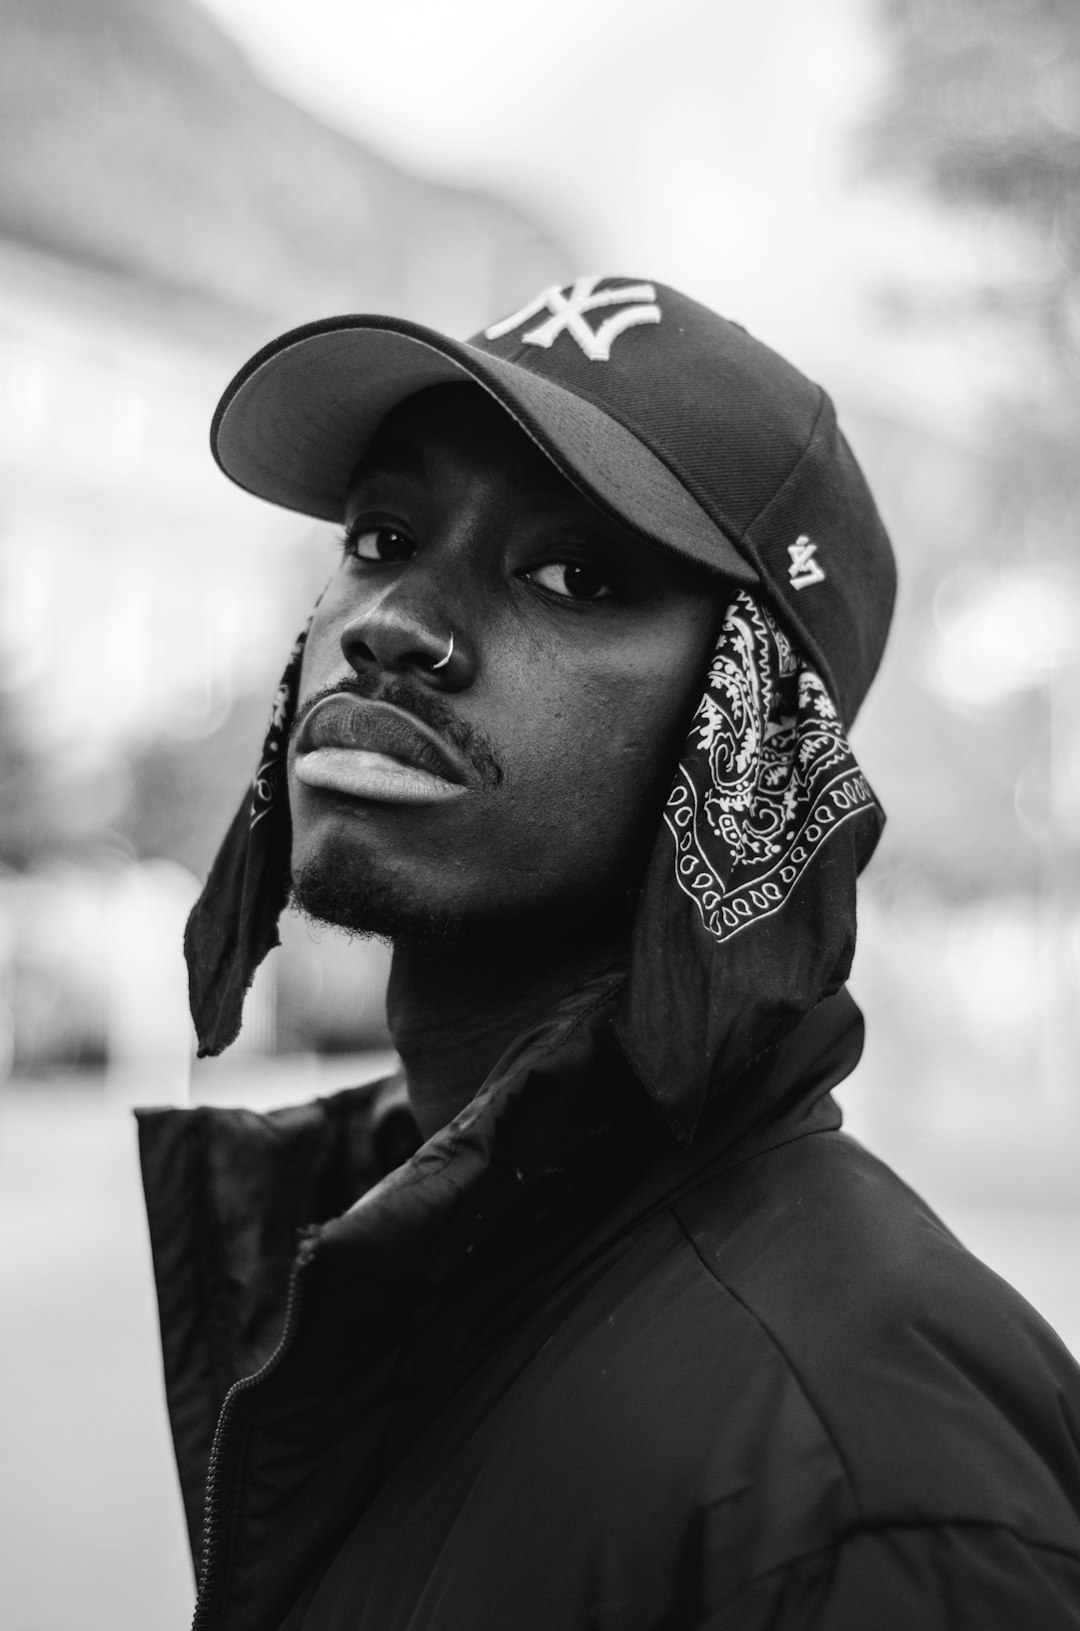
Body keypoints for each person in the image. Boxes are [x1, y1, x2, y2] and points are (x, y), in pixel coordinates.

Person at [138, 276, 1080, 1631]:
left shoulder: (865, 1474)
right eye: (383, 532)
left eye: (575, 574)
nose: (389, 622)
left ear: (752, 738)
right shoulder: (386, 1270)